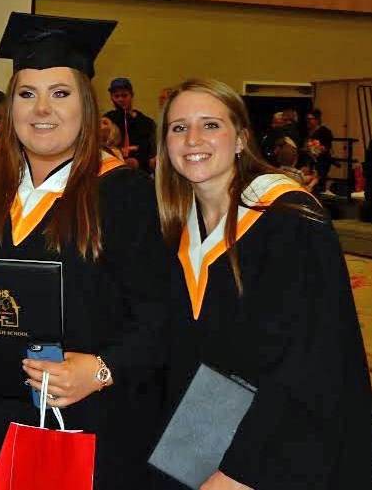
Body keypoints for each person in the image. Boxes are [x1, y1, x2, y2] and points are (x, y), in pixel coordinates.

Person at [0, 13, 171, 489]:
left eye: (60, 93)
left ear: (86, 106)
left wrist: (104, 369)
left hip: (80, 422)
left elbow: (160, 313)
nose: (42, 108)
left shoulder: (125, 195)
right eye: (27, 94)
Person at [154, 78, 371, 489]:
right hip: (202, 432)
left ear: (241, 139)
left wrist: (243, 470)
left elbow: (310, 360)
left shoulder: (288, 220)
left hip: (280, 445)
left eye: (211, 125)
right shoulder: (177, 227)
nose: (193, 138)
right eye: (178, 127)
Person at [104, 76, 157, 173]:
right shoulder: (107, 120)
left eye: (124, 96)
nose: (120, 100)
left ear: (131, 95)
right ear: (111, 97)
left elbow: (151, 150)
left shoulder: (146, 122)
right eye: (116, 96)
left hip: (142, 172)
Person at [303, 107, 333, 192]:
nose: (308, 121)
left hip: (321, 162)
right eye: (307, 119)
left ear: (317, 120)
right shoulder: (306, 131)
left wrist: (316, 148)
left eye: (310, 119)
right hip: (309, 161)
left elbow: (327, 147)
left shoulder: (325, 131)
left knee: (317, 184)